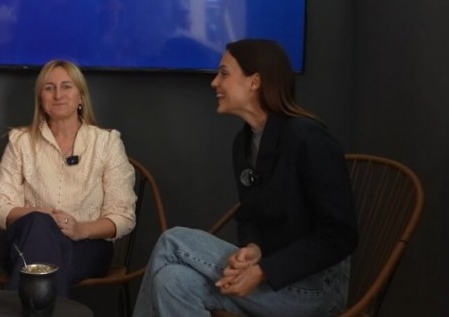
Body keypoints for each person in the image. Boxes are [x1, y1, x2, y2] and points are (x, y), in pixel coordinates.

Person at [133, 39, 358, 317]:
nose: (215, 82)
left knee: (173, 240)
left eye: (224, 73)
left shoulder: (308, 138)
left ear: (254, 82)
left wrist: (265, 270)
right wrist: (254, 248)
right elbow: (250, 216)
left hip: (316, 290)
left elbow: (340, 236)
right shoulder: (244, 143)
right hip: (272, 274)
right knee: (171, 281)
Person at [0, 59, 137, 297]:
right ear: (41, 99)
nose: (58, 95)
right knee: (39, 226)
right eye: (49, 88)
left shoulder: (106, 143)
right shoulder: (21, 142)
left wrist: (80, 229)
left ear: (81, 97)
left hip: (86, 247)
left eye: (66, 86)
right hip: (23, 241)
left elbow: (123, 217)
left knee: (41, 260)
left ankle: (28, 306)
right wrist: (38, 215)